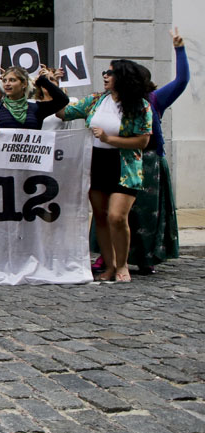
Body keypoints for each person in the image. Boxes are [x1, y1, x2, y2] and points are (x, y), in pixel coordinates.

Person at [59, 60, 153, 283]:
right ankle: (109, 266)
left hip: (125, 165)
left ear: (122, 77)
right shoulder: (95, 100)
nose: (105, 75)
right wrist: (52, 85)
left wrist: (109, 138)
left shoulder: (140, 106)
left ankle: (122, 266)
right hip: (96, 162)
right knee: (100, 216)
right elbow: (65, 113)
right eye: (105, 72)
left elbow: (142, 141)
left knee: (116, 216)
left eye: (110, 72)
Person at [124, 27, 190, 272]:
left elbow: (181, 81)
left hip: (149, 162)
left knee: (148, 214)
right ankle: (113, 256)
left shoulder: (154, 99)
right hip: (122, 159)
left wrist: (179, 49)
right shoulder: (112, 99)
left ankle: (146, 257)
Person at [0, 66, 68, 132]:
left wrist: (43, 80)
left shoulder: (36, 108)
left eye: (12, 80)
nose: (7, 84)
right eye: (5, 80)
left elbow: (62, 100)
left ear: (24, 84)